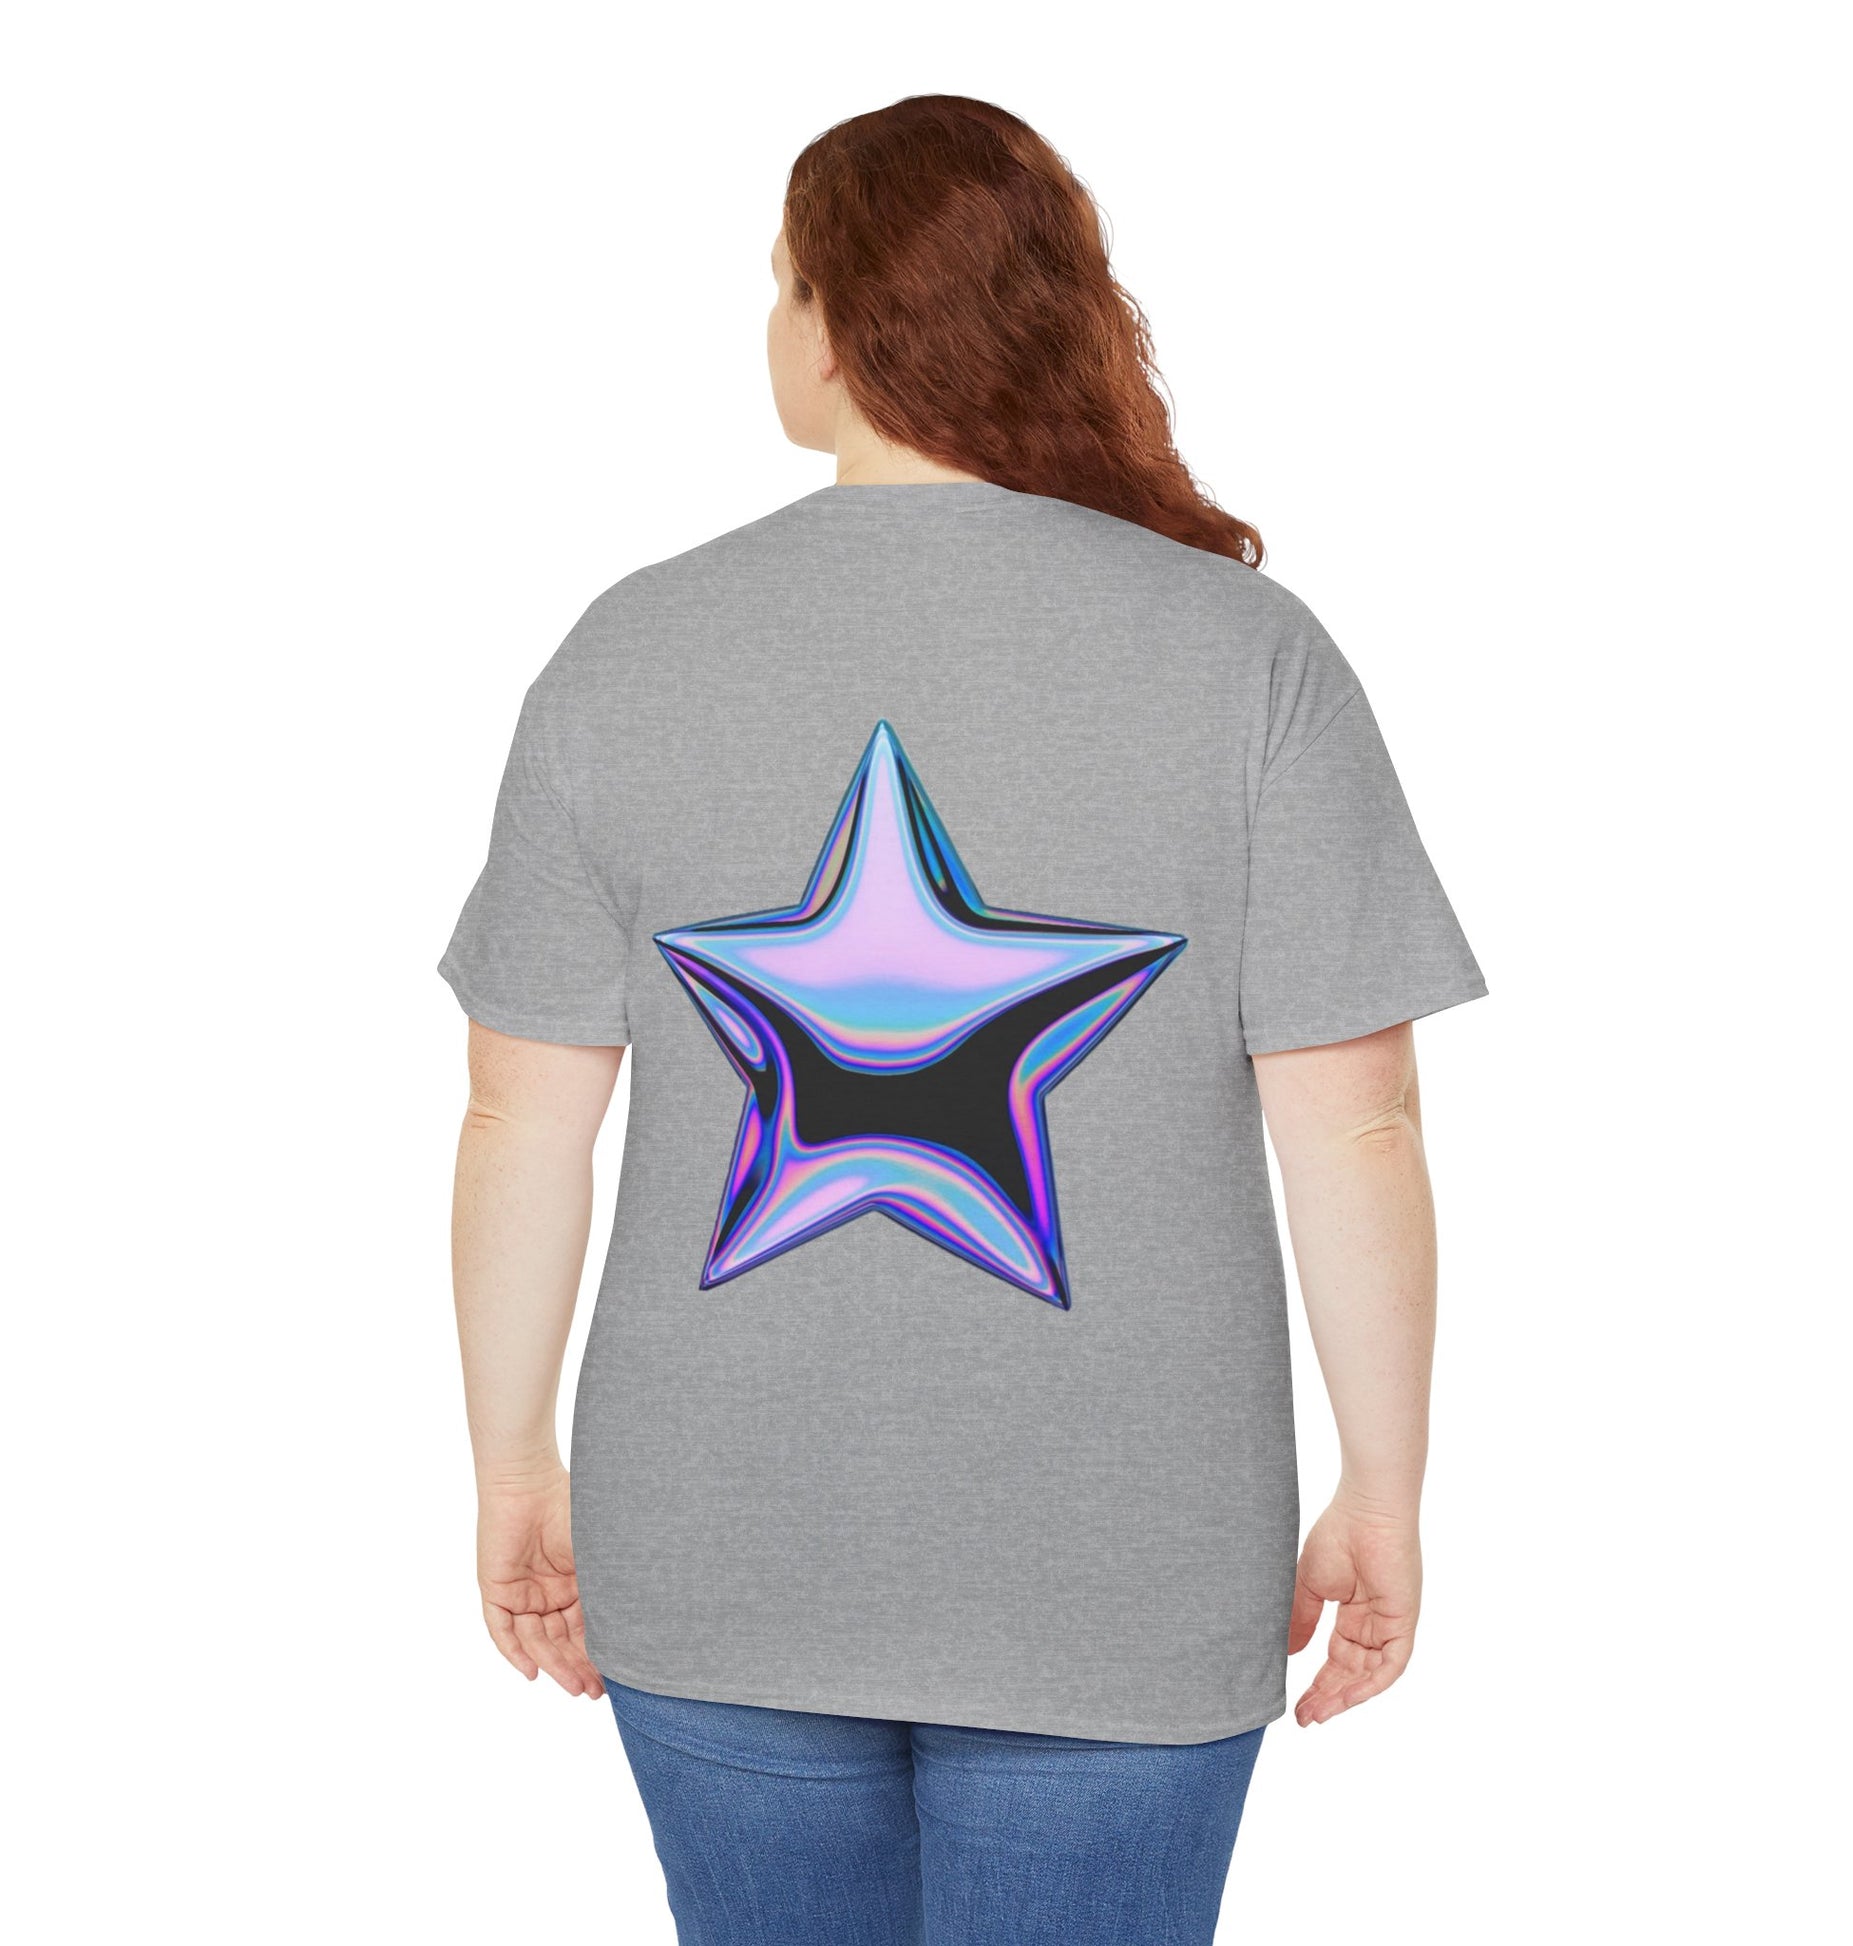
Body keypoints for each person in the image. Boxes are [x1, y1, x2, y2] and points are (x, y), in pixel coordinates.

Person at [441, 95, 1484, 1946]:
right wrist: (1381, 1486)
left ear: (838, 319)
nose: (770, 322)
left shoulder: (629, 651)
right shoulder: (1246, 655)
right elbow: (1360, 1121)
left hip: (718, 1532)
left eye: (780, 281)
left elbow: (522, 1120)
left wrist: (515, 1459)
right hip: (1131, 1558)